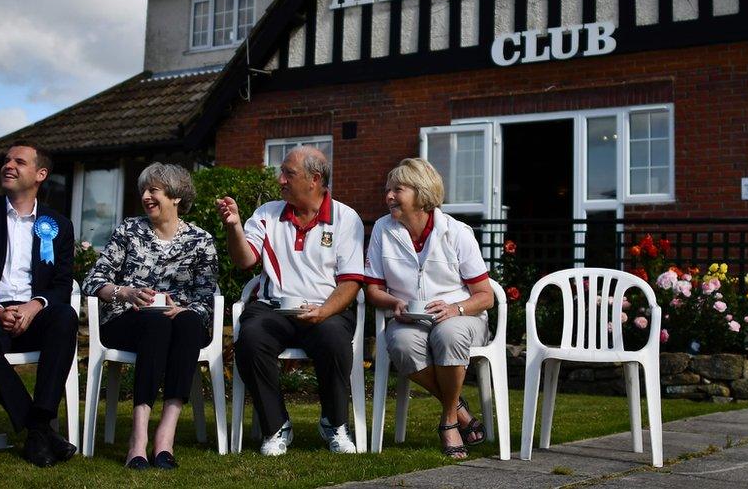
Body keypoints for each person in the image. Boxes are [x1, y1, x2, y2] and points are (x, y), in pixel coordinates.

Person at [217, 146, 364, 455]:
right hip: (273, 308)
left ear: (314, 179)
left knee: (335, 339)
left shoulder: (346, 218)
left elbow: (351, 282)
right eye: (281, 172)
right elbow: (245, 260)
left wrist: (324, 311)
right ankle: (276, 426)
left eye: (288, 173)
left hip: (325, 309)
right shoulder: (267, 213)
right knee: (251, 340)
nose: (280, 179)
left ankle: (334, 424)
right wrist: (233, 227)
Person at [81, 163, 217, 470]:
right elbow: (94, 280)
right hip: (125, 321)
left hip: (180, 323)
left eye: (153, 190)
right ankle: (138, 438)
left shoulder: (201, 240)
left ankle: (165, 437)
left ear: (176, 197)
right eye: (144, 190)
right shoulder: (128, 231)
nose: (145, 196)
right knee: (156, 322)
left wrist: (186, 308)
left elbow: (206, 297)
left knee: (187, 321)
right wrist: (126, 293)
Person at [363, 158, 494, 459]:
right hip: (409, 319)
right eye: (388, 190)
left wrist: (456, 308)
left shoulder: (457, 232)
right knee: (401, 342)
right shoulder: (384, 229)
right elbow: (373, 289)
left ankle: (448, 421)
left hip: (462, 316)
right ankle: (459, 409)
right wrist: (394, 302)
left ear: (421, 194)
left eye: (398, 189)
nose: (389, 197)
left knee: (448, 334)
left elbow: (485, 296)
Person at [0, 143, 78, 467]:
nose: (8, 165)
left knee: (65, 317)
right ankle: (40, 429)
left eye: (19, 161)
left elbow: (61, 284)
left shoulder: (58, 225)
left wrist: (33, 306)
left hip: (33, 315)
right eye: (7, 160)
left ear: (40, 174)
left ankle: (38, 427)